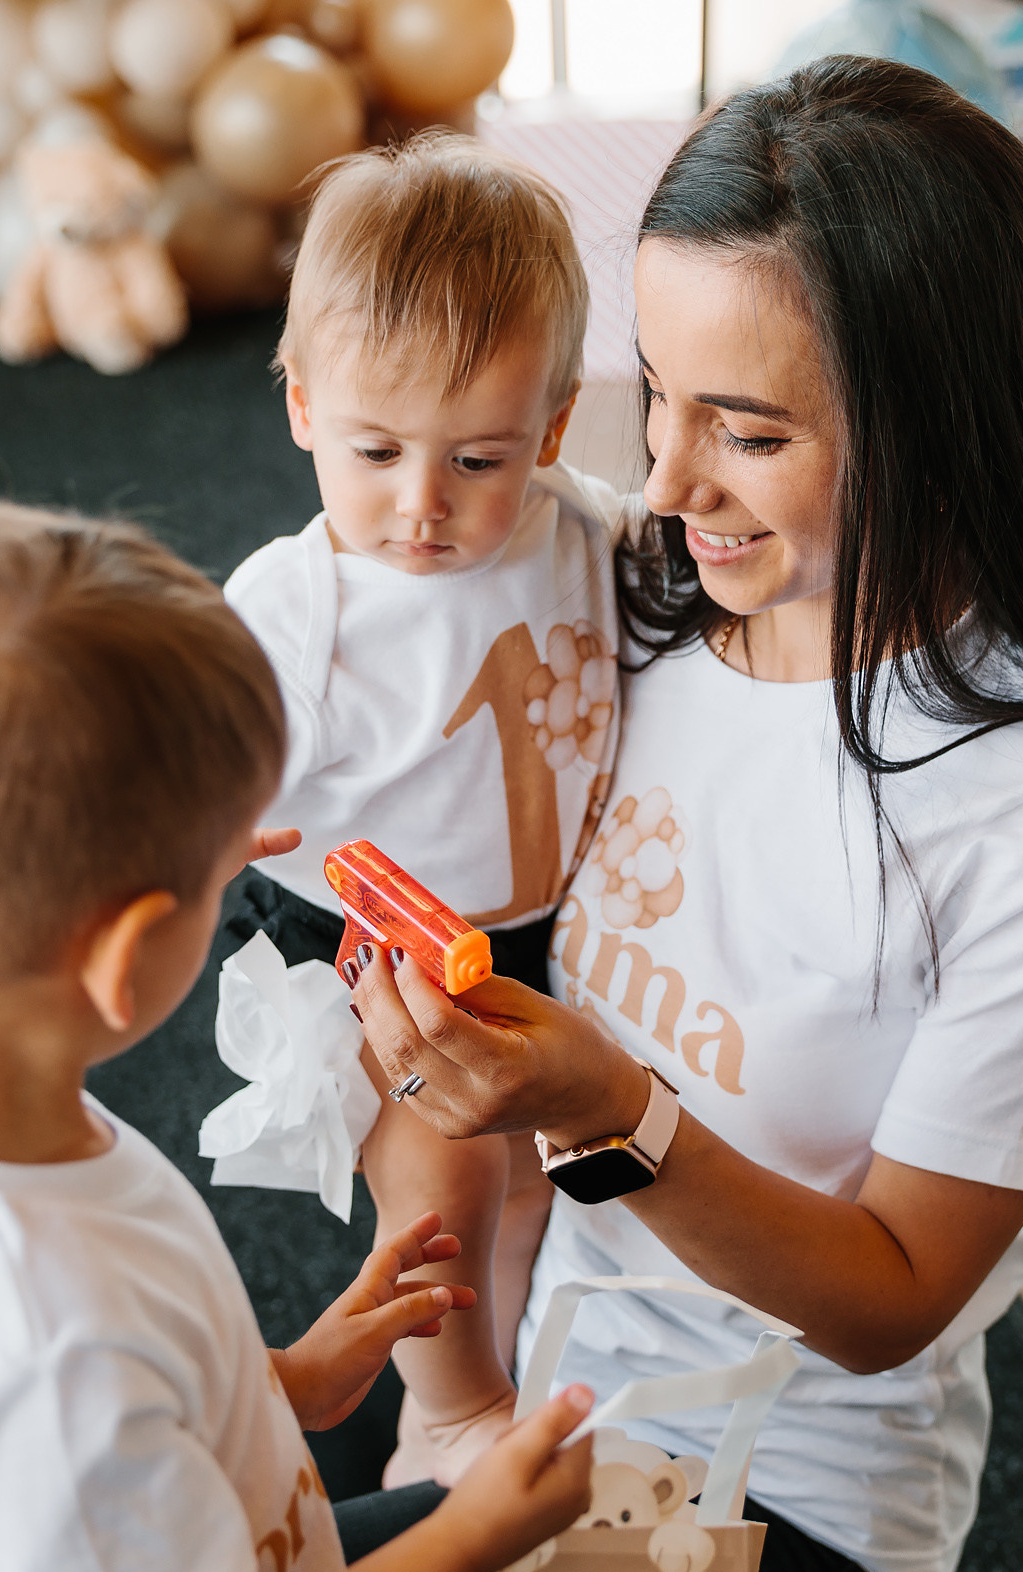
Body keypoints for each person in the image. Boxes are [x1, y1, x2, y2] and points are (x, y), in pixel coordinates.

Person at [342, 57, 1023, 1572]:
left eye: (749, 430)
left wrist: (614, 1107)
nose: (664, 479)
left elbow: (888, 1304)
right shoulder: (630, 606)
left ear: (943, 424)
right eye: (655, 391)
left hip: (781, 1487)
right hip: (555, 1378)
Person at [0, 499, 596, 1572]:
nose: (243, 875)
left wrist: (280, 1382)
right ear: (128, 956)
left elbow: (119, 1433)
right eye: (230, 871)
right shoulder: (40, 1348)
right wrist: (471, 1538)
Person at [217, 133, 638, 1487]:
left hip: (537, 927)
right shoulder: (302, 606)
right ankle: (444, 1409)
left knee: (537, 1175)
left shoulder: (577, 523)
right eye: (377, 448)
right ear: (298, 405)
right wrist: (202, 819)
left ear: (557, 426)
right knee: (448, 1175)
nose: (422, 504)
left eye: (478, 458)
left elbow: (672, 577)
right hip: (375, 950)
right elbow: (195, 741)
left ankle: (503, 1365)